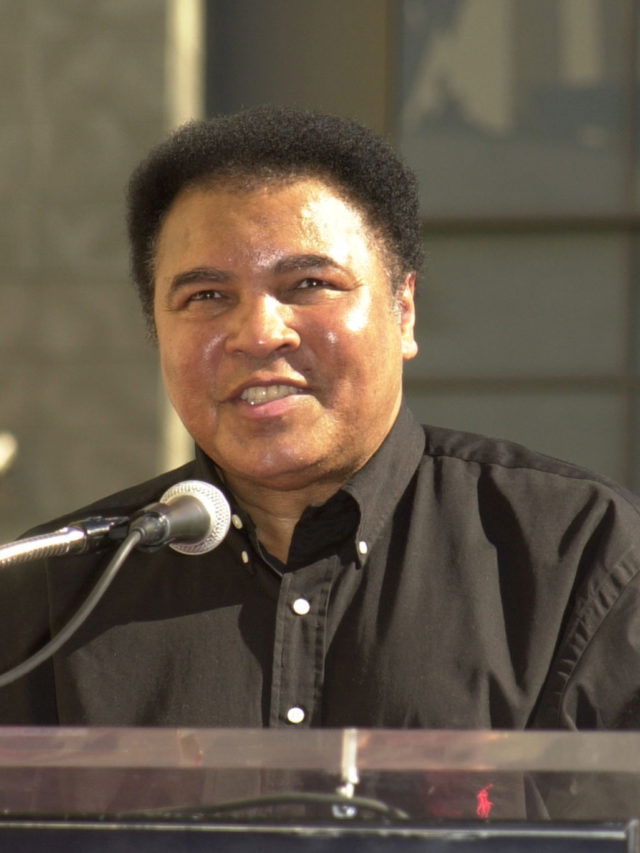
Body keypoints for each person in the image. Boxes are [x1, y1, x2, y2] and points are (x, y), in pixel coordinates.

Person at [1, 105, 640, 730]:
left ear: (404, 310)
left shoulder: (576, 552)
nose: (259, 334)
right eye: (207, 295)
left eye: (309, 285)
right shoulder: (59, 592)